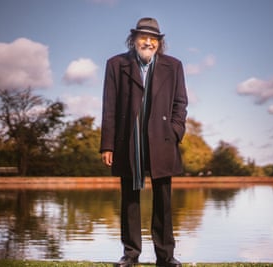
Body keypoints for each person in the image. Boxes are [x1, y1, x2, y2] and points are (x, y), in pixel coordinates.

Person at [100, 17, 188, 267]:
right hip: (129, 140)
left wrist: (175, 132)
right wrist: (108, 144)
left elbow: (180, 104)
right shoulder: (116, 64)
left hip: (162, 139)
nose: (148, 42)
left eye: (153, 38)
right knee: (130, 200)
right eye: (143, 37)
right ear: (134, 39)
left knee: (163, 201)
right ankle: (130, 255)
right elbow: (109, 107)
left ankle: (166, 257)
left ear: (159, 43)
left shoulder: (174, 66)